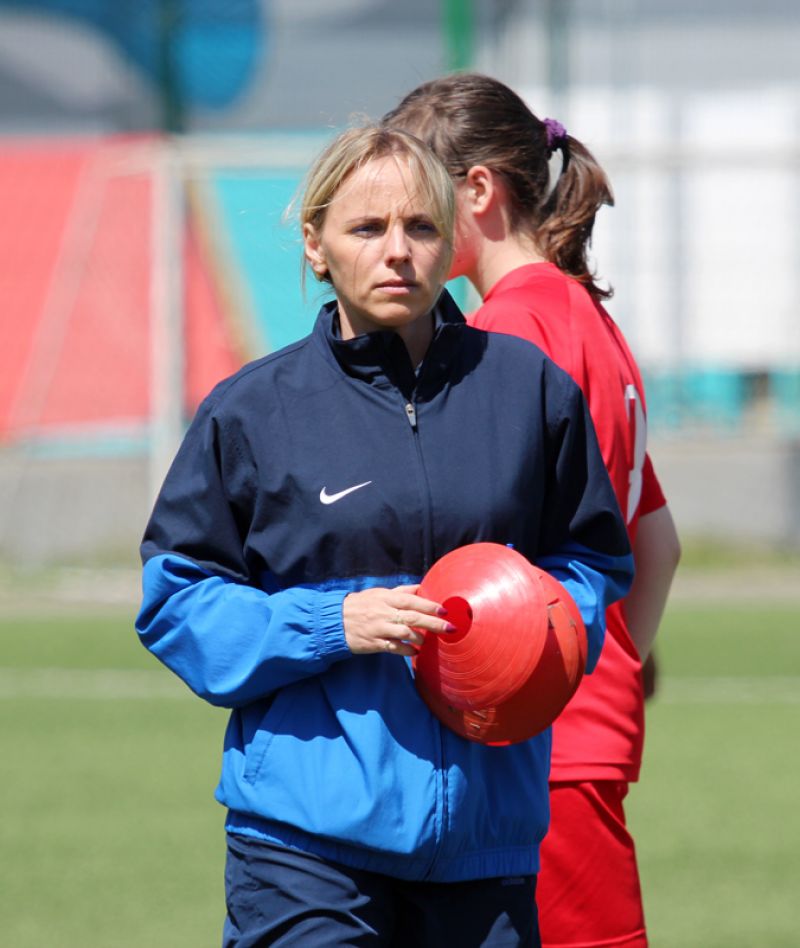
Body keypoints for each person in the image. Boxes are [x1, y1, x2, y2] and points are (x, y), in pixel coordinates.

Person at [135, 124, 634, 948]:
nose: (397, 251)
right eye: (367, 228)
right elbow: (177, 603)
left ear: (450, 238)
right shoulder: (253, 411)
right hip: (303, 848)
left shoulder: (528, 391)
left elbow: (591, 560)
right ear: (317, 245)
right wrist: (331, 624)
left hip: (486, 842)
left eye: (421, 227)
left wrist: (531, 629)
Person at [383, 74, 682, 948]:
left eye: (417, 200)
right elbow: (656, 542)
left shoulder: (506, 336)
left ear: (477, 190)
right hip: (583, 727)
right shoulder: (589, 317)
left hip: (532, 738)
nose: (401, 232)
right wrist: (612, 662)